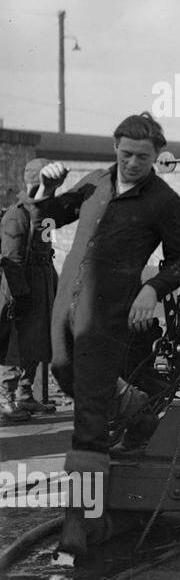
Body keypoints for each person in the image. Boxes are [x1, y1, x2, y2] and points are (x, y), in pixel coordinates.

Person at [34, 113, 180, 556]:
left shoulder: (164, 201)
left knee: (88, 417)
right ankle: (135, 407)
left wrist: (151, 288)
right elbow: (49, 215)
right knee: (65, 374)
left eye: (143, 157)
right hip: (66, 306)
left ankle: (80, 521)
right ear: (114, 148)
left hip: (108, 316)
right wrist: (47, 189)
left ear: (157, 155)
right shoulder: (93, 183)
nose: (132, 163)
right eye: (125, 154)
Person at [1, 159, 59, 421]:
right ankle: (6, 397)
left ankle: (25, 394)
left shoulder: (45, 214)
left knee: (37, 341)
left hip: (43, 283)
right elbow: (11, 261)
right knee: (17, 344)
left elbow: (46, 249)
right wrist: (20, 295)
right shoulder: (16, 215)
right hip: (22, 287)